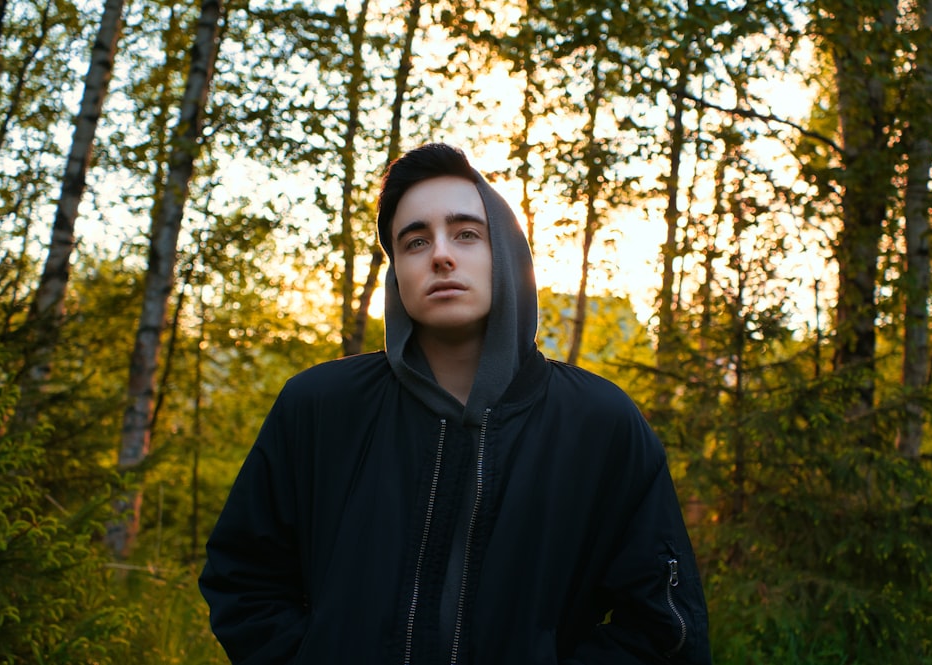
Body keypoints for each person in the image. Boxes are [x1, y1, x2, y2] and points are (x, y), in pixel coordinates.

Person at [199, 142, 711, 664]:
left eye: (466, 233)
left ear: (507, 255)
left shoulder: (598, 424)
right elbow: (244, 580)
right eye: (415, 241)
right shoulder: (320, 407)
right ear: (397, 271)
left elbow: (663, 626)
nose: (441, 253)